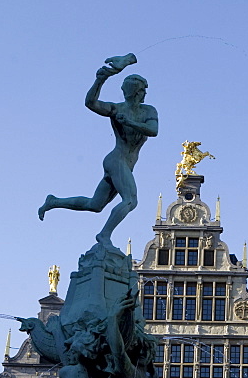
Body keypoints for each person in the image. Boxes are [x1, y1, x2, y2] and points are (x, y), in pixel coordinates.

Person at [38, 63, 158, 247]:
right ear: (137, 92)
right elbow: (90, 103)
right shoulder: (117, 109)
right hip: (116, 160)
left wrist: (130, 122)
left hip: (123, 164)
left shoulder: (148, 111)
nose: (145, 94)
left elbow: (153, 130)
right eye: (143, 90)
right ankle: (104, 235)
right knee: (131, 200)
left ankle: (53, 201)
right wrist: (100, 80)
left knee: (94, 205)